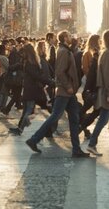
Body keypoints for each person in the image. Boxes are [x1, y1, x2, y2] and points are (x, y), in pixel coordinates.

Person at [26, 30, 90, 158]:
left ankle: (76, 149)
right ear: (65, 38)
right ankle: (33, 140)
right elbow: (60, 72)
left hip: (68, 92)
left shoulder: (66, 50)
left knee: (74, 119)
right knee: (54, 117)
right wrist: (67, 86)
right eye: (70, 36)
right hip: (64, 91)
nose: (72, 37)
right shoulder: (63, 52)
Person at [9, 44, 54, 135]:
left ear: (27, 53)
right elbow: (18, 66)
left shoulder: (30, 64)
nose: (22, 54)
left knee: (28, 111)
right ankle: (20, 129)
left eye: (23, 52)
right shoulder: (31, 62)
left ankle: (49, 127)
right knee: (29, 110)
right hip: (34, 91)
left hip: (32, 91)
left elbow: (37, 76)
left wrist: (50, 82)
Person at [80, 34, 101, 138]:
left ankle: (82, 127)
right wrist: (92, 78)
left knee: (90, 108)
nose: (100, 41)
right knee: (88, 107)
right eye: (99, 40)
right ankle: (82, 127)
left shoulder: (98, 52)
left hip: (95, 84)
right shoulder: (87, 53)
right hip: (90, 85)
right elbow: (85, 68)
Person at [0, 44, 10, 111]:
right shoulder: (3, 58)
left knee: (3, 91)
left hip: (3, 75)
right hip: (5, 75)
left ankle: (1, 105)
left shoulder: (0, 57)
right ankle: (1, 106)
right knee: (4, 92)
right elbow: (8, 67)